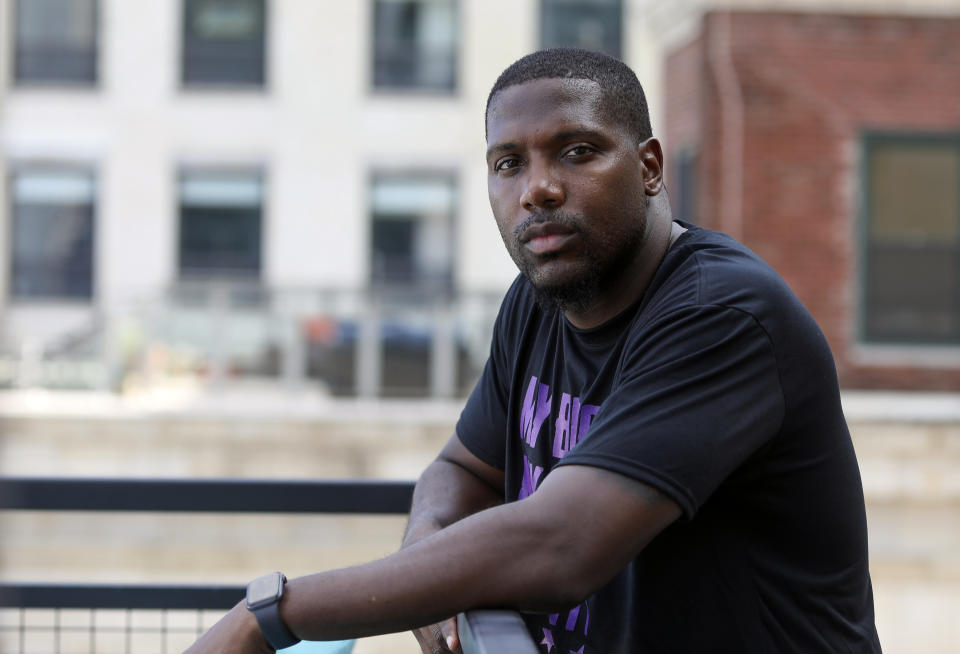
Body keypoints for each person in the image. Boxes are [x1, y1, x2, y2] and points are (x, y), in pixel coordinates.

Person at [187, 48, 881, 654]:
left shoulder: (721, 316)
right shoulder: (540, 301)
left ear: (649, 167)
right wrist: (428, 551)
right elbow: (463, 467)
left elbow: (562, 545)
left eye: (577, 151)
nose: (537, 189)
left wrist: (271, 615)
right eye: (508, 164)